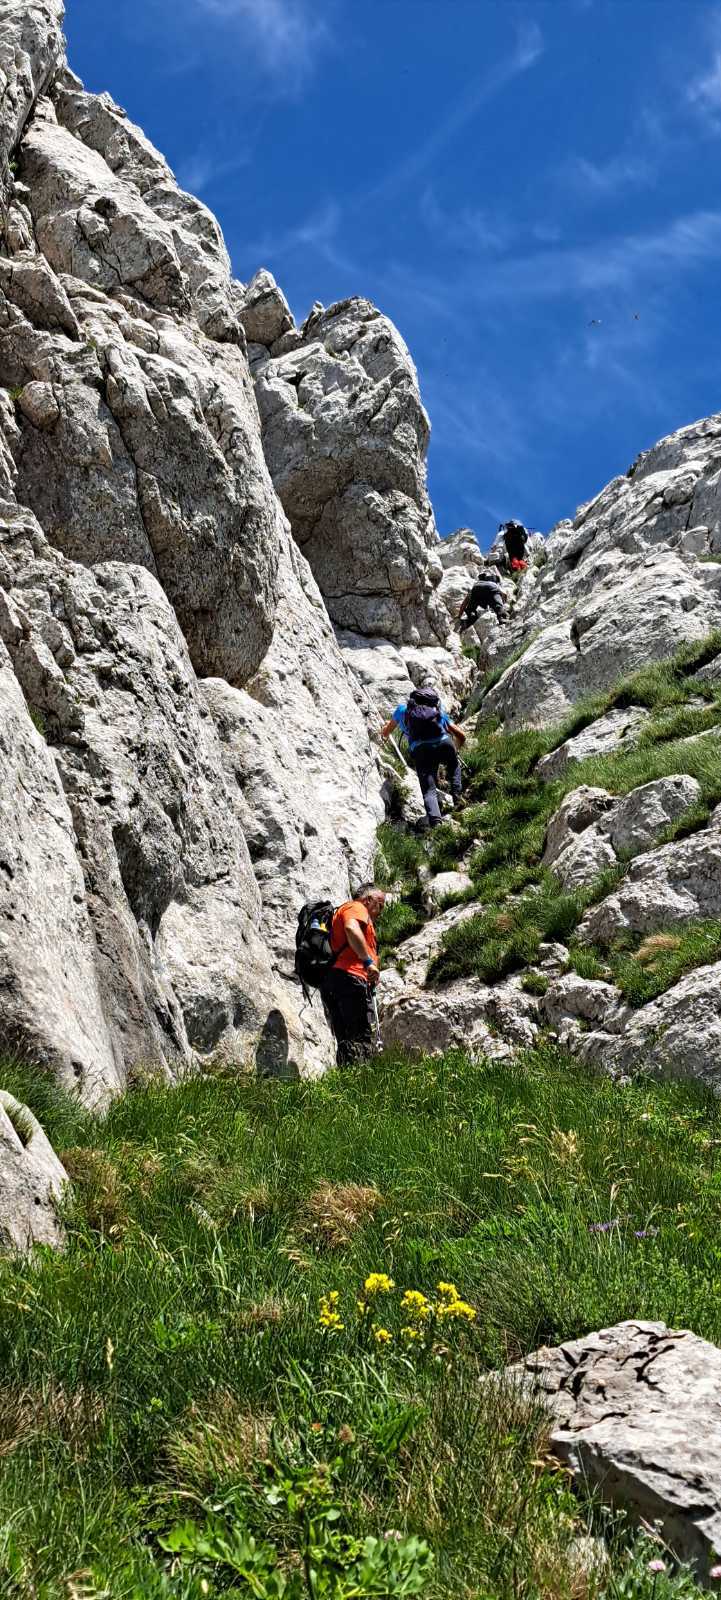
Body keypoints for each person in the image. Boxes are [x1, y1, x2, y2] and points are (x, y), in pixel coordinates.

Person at [381, 687, 466, 828]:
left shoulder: (402, 711)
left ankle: (436, 823)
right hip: (444, 743)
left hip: (421, 750)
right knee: (453, 765)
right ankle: (457, 797)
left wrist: (384, 729)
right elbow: (461, 736)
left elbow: (386, 733)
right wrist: (454, 751)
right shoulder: (438, 711)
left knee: (429, 790)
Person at [320, 884, 386, 1067]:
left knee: (345, 1038)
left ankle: (348, 1076)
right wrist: (368, 962)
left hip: (337, 980)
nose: (381, 910)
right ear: (368, 900)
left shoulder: (350, 911)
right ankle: (363, 1078)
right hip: (350, 979)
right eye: (380, 904)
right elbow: (351, 928)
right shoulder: (356, 907)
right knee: (361, 1036)